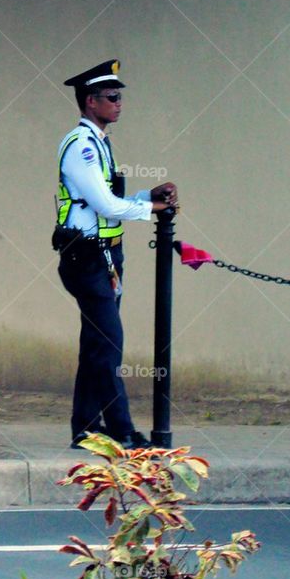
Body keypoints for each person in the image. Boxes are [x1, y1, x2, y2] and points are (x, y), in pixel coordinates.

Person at [52, 59, 177, 450]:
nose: (118, 103)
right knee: (108, 345)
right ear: (90, 102)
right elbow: (105, 206)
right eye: (111, 97)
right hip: (87, 258)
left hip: (104, 257)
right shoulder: (81, 146)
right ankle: (124, 431)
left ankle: (86, 428)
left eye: (119, 96)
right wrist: (154, 210)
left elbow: (109, 201)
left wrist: (145, 197)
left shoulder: (100, 143)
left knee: (96, 344)